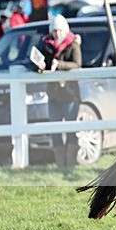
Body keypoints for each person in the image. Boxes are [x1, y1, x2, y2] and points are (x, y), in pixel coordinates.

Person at [37, 15, 82, 167]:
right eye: (54, 31)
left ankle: (70, 165)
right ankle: (60, 166)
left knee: (70, 129)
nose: (57, 34)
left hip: (69, 93)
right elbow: (41, 61)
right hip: (54, 94)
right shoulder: (46, 45)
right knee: (55, 130)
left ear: (65, 30)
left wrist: (60, 64)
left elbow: (77, 64)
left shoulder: (73, 44)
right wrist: (39, 66)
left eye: (60, 30)